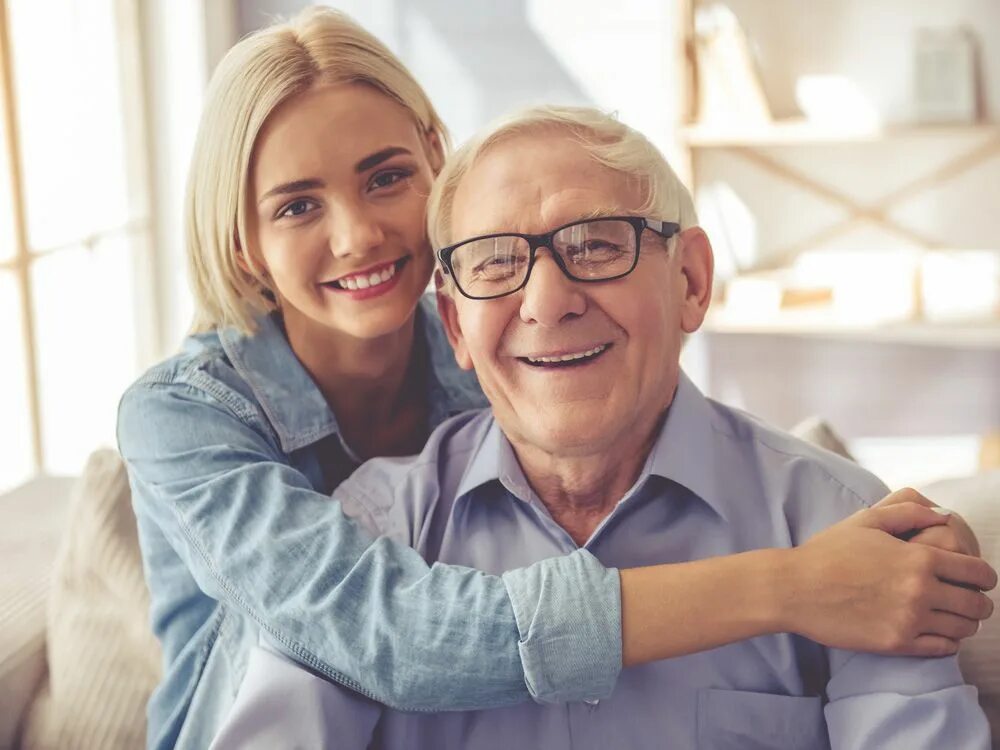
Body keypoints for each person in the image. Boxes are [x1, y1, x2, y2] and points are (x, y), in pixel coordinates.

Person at [115, 8, 994, 750]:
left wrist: (866, 518)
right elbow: (388, 636)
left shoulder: (826, 516)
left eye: (595, 245)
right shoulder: (196, 421)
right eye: (297, 205)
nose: (546, 303)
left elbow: (643, 414)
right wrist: (792, 583)